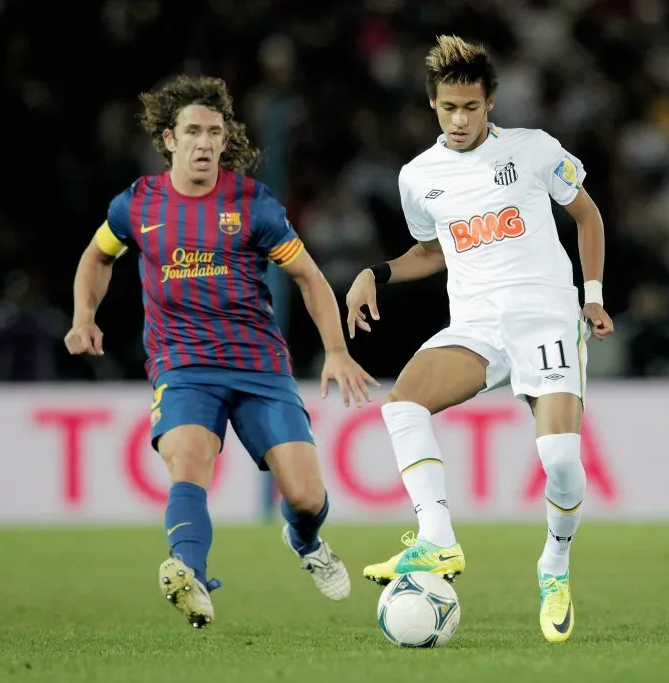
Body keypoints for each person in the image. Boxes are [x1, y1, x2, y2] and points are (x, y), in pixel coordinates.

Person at [64, 75, 377, 629]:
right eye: (193, 132)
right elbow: (97, 256)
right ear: (169, 139)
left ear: (225, 139)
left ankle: (306, 540)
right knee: (187, 460)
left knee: (306, 497)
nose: (204, 142)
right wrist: (84, 316)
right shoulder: (137, 204)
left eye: (214, 132)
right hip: (182, 365)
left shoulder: (253, 204)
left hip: (258, 366)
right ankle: (189, 574)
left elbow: (308, 277)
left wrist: (335, 349)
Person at [344, 36, 614, 644]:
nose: (460, 119)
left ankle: (554, 564)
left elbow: (588, 215)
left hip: (545, 317)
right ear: (432, 105)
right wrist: (375, 273)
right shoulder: (419, 176)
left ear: (490, 102)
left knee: (560, 461)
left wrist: (593, 295)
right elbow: (431, 250)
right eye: (448, 108)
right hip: (477, 323)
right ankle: (436, 538)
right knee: (403, 404)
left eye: (470, 107)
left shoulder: (534, 149)